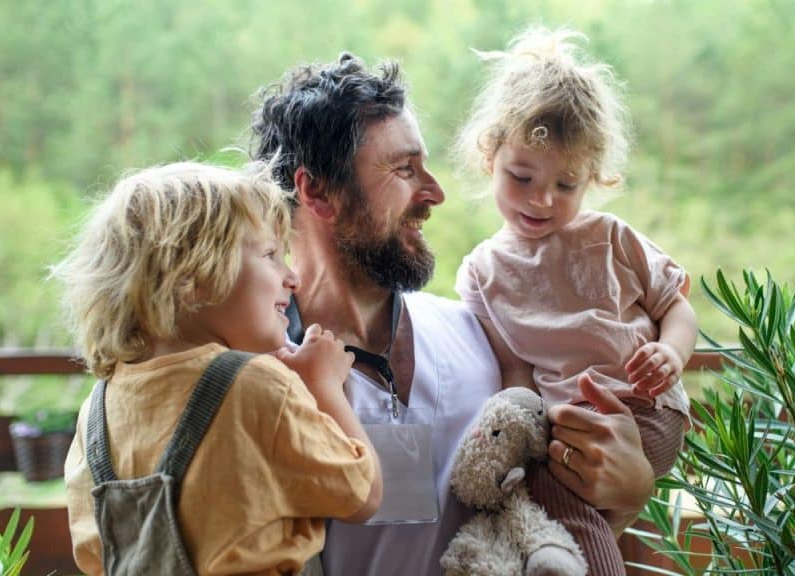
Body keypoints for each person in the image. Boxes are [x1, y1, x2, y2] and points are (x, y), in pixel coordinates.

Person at [251, 52, 660, 576]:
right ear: (317, 191)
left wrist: (632, 491)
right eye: (405, 169)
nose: (435, 193)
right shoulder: (260, 376)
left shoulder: (485, 336)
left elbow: (549, 527)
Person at [56, 161, 382, 575]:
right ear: (192, 276)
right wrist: (323, 384)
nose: (292, 277)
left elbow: (93, 552)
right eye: (270, 255)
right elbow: (362, 494)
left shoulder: (96, 411)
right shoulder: (257, 385)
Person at [452, 27, 698, 574]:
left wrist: (672, 353)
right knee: (533, 496)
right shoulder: (481, 273)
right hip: (563, 424)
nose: (543, 199)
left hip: (641, 407)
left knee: (556, 498)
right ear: (489, 156)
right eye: (523, 177)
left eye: (566, 185)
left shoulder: (610, 237)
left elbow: (676, 307)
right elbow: (515, 374)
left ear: (593, 177)